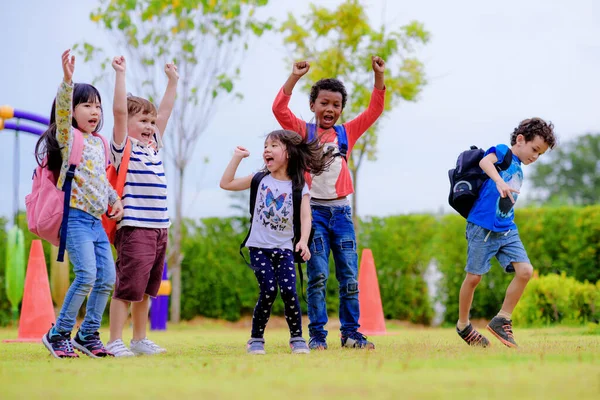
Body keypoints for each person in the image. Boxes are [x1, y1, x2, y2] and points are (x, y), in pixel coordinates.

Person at [271, 56, 386, 349]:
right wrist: (294, 77)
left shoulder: (347, 133)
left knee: (349, 276)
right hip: (315, 215)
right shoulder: (303, 133)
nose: (330, 109)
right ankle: (317, 337)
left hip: (342, 214)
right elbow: (279, 109)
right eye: (324, 103)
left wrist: (378, 76)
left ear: (341, 109)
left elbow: (375, 109)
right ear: (313, 106)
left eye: (336, 105)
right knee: (318, 275)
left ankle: (350, 334)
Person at [40, 49, 124, 358]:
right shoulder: (68, 136)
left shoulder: (99, 143)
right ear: (74, 111)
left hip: (95, 221)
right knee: (87, 275)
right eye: (87, 105)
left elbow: (101, 181)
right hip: (74, 218)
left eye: (98, 106)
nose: (94, 111)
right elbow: (62, 111)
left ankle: (87, 334)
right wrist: (67, 80)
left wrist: (115, 201)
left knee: (107, 278)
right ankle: (58, 333)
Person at [220, 130, 331, 354]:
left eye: (273, 146)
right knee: (269, 291)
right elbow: (226, 183)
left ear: (288, 153)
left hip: (284, 249)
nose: (266, 150)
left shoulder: (299, 187)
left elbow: (306, 217)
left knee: (290, 291)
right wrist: (237, 157)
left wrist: (303, 242)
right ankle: (256, 339)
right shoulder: (259, 179)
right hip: (259, 248)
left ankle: (297, 338)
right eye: (265, 146)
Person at [456, 118, 557, 348]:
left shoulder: (519, 168)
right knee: (473, 278)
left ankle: (502, 319)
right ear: (520, 140)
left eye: (540, 154)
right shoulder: (503, 153)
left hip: (506, 228)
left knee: (525, 271)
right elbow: (485, 162)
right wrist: (499, 181)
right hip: (482, 227)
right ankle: (463, 325)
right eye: (534, 149)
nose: (535, 156)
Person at [105, 56, 178, 357]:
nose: (150, 126)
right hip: (135, 227)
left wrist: (173, 82)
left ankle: (139, 339)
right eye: (143, 122)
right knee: (127, 288)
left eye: (151, 122)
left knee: (147, 290)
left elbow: (166, 111)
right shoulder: (124, 147)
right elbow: (120, 112)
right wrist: (121, 74)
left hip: (159, 228)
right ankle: (114, 341)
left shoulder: (153, 146)